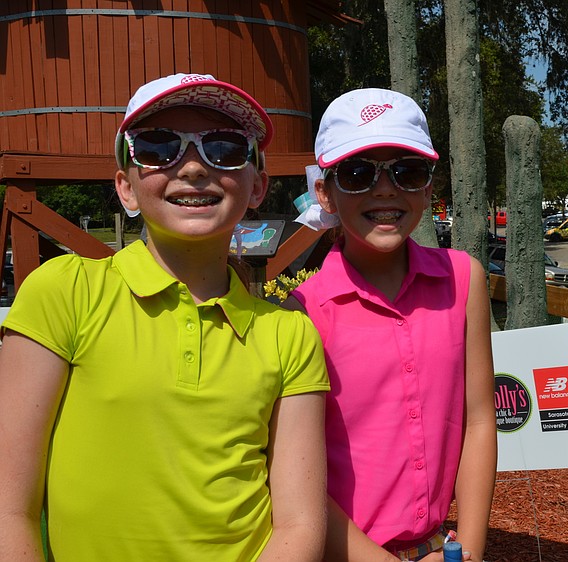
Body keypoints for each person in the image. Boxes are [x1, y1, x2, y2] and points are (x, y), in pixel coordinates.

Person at [0, 73, 330, 561]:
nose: (193, 167)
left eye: (224, 147)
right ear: (126, 188)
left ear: (257, 186)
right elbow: (10, 508)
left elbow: (299, 524)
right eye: (158, 147)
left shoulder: (288, 334)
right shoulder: (64, 292)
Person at [286, 88, 497, 562]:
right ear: (325, 191)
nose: (385, 190)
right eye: (358, 174)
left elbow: (480, 419)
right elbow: (297, 475)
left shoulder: (464, 279)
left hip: (444, 548)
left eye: (407, 171)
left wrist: (472, 549)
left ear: (427, 187)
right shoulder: (302, 312)